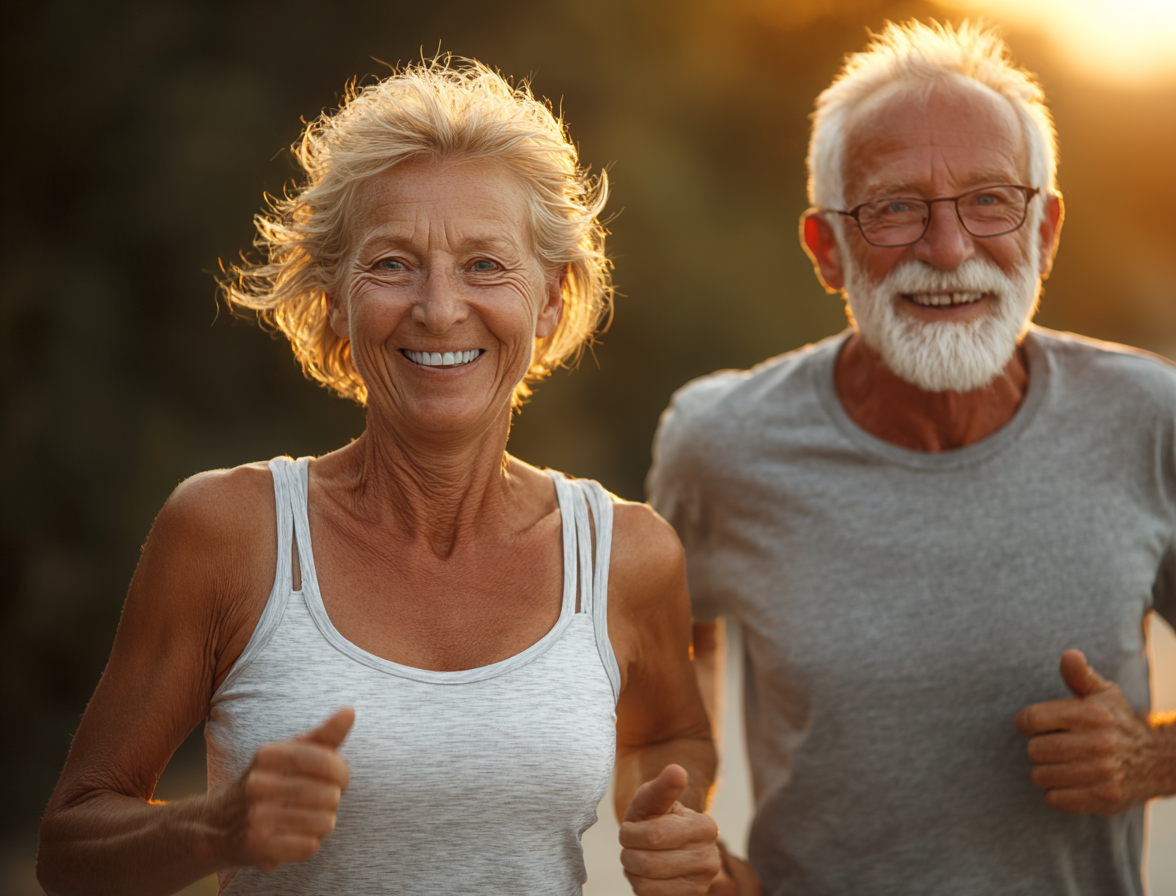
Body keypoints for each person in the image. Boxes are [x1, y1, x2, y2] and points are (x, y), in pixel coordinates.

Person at [648, 20, 1176, 896]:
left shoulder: (1150, 417)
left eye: (991, 200)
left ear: (1045, 231)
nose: (949, 250)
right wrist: (695, 844)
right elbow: (670, 656)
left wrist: (1155, 757)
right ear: (826, 252)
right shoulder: (719, 441)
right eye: (894, 207)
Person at [37, 60, 722, 896]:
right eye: (393, 264)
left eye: (484, 265)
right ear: (333, 300)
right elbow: (70, 849)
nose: (438, 309)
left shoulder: (627, 554)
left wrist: (667, 823)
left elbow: (669, 736)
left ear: (550, 299)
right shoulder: (228, 533)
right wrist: (209, 829)